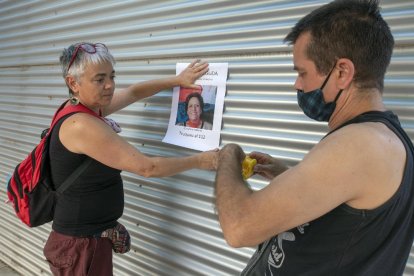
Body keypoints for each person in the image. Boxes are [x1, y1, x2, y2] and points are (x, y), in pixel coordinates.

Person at [215, 0, 414, 275]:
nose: (298, 84)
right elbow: (347, 215)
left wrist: (228, 155)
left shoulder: (362, 144)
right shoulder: (375, 139)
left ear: (342, 72)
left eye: (302, 72)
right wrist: (286, 175)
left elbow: (238, 227)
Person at [42, 42, 218, 276]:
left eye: (112, 76)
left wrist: (178, 80)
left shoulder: (85, 108)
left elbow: (134, 92)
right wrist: (200, 161)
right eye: (100, 79)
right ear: (73, 83)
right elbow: (147, 167)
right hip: (81, 246)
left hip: (86, 241)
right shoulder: (81, 125)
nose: (110, 85)